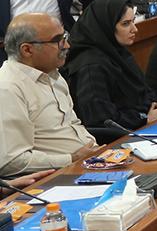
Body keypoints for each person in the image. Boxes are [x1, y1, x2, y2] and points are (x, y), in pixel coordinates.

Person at [0, 13, 97, 176]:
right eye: (58, 40)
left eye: (65, 37)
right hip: (56, 178)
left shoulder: (54, 76)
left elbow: (73, 125)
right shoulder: (8, 88)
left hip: (90, 164)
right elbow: (11, 161)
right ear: (27, 50)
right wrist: (71, 158)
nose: (67, 45)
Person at [61, 0, 157, 130]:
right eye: (126, 24)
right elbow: (101, 119)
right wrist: (145, 119)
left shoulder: (117, 53)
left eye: (133, 21)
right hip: (119, 137)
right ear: (106, 25)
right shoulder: (91, 67)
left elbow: (143, 92)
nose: (134, 29)